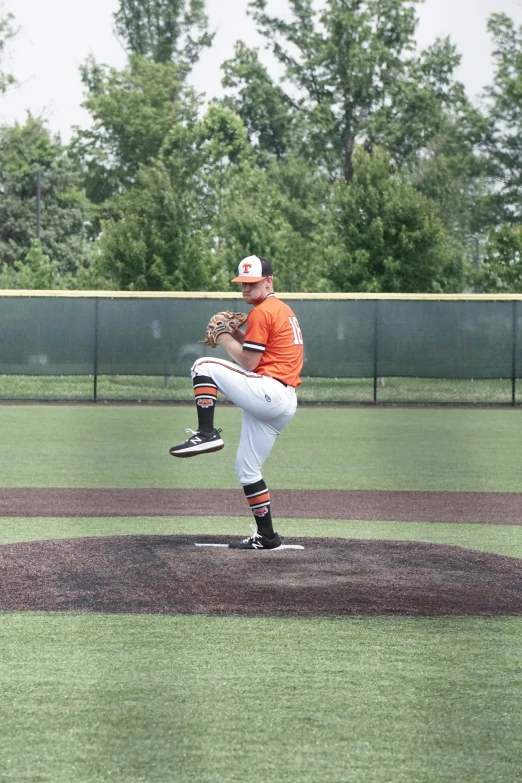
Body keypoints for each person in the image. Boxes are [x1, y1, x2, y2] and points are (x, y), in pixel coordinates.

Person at [169, 255, 304, 550]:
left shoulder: (262, 311)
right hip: (282, 401)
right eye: (242, 283)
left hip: (270, 391)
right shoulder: (279, 310)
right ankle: (267, 536)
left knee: (202, 365)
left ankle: (206, 434)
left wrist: (224, 336)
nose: (245, 288)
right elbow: (260, 351)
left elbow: (250, 362)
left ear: (268, 281)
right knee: (247, 469)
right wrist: (235, 334)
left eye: (252, 283)